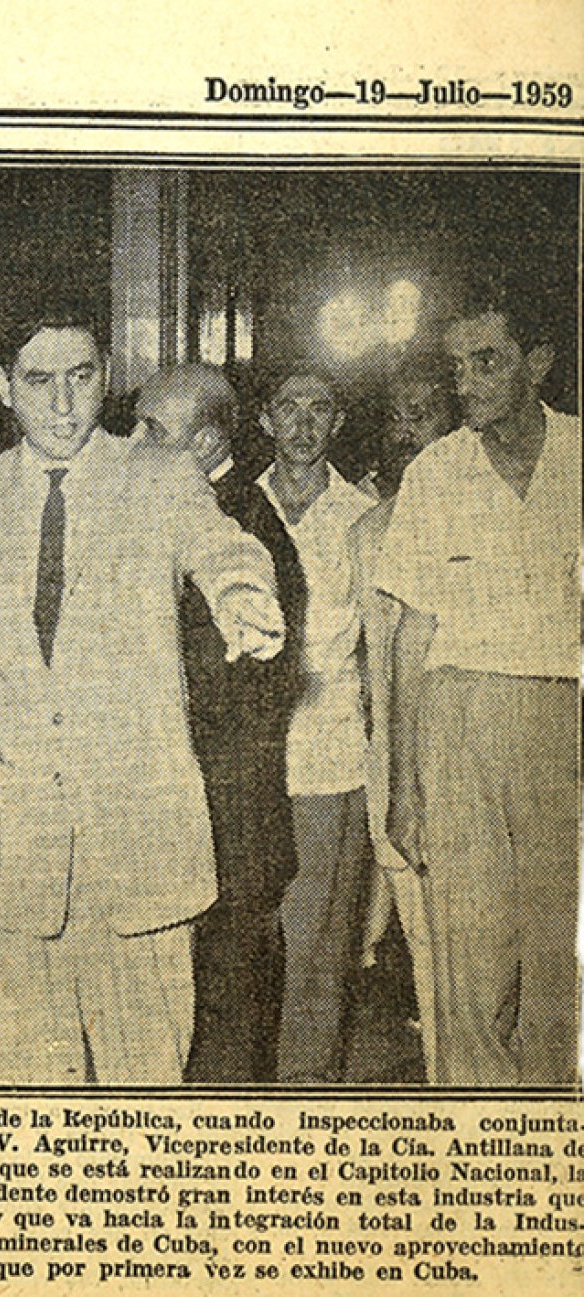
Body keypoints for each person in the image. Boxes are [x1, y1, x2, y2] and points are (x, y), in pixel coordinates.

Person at [0, 311, 285, 1084]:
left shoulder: (160, 476)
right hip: (20, 867)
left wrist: (242, 593)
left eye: (82, 378)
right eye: (39, 381)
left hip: (141, 857)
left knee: (147, 1089)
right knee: (27, 1101)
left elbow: (219, 543)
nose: (63, 406)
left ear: (107, 375)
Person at [378, 282, 580, 1086]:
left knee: (560, 950)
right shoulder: (435, 473)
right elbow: (408, 639)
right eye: (457, 364)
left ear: (538, 363)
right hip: (456, 719)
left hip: (560, 720)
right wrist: (404, 786)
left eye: (486, 361)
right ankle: (475, 1126)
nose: (465, 382)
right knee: (471, 959)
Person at [135, 362, 306, 1082]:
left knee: (226, 1043)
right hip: (217, 826)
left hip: (227, 831)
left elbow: (208, 690)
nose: (132, 443)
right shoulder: (202, 508)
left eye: (151, 430)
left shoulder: (237, 524)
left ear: (205, 441)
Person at [257, 365, 376, 1083]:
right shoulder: (228, 506)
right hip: (246, 762)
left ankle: (305, 1097)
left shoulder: (366, 516)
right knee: (247, 941)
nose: (302, 424)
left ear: (337, 423)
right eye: (287, 408)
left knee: (318, 946)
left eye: (319, 409)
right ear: (265, 420)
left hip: (329, 761)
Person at [349, 354, 455, 1079]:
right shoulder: (367, 531)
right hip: (402, 788)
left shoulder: (499, 508)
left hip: (493, 781)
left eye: (424, 413)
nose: (407, 430)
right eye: (397, 415)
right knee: (432, 981)